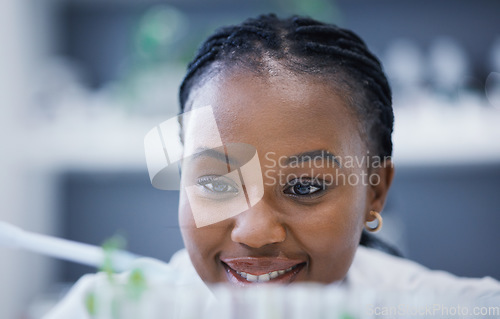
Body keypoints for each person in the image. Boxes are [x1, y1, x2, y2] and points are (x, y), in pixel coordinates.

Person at [45, 14, 500, 318]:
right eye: (217, 182)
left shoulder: (459, 309)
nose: (255, 232)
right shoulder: (104, 309)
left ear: (374, 193)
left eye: (304, 186)